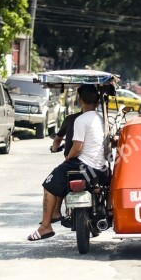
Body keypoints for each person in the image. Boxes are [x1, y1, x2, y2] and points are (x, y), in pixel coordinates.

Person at [29, 84, 107, 241]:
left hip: (82, 165)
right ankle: (57, 212)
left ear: (80, 100)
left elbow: (77, 148)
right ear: (98, 102)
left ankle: (46, 226)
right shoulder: (101, 119)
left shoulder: (80, 119)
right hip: (100, 168)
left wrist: (67, 158)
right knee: (61, 178)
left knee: (48, 184)